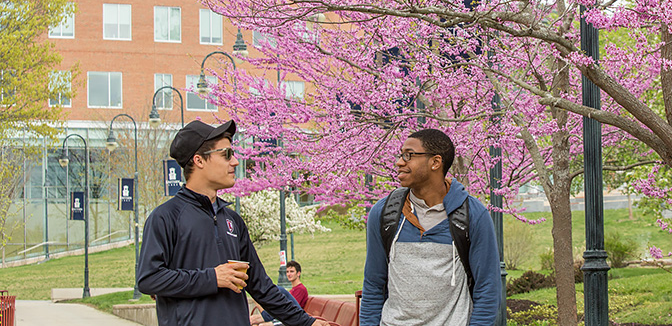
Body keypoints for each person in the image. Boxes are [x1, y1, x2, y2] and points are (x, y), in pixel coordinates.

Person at [137, 119, 319, 326]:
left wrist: (308, 323)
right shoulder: (165, 217)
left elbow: (261, 286)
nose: (234, 162)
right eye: (226, 154)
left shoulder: (233, 221)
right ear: (199, 160)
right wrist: (212, 278)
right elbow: (148, 279)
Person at [360, 128, 502, 326]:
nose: (399, 162)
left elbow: (488, 289)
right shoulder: (383, 214)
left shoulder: (473, 215)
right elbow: (373, 286)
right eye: (401, 155)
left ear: (435, 162)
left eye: (409, 155)